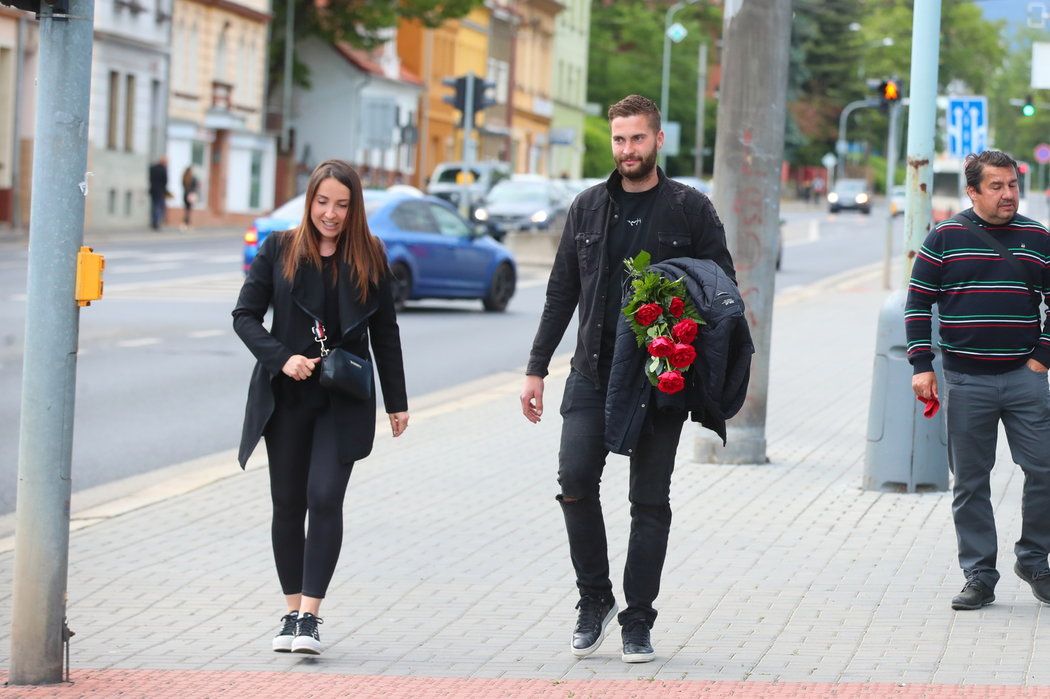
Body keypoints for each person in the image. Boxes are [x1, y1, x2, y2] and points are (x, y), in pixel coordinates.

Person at [519, 94, 736, 663]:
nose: (627, 150)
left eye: (637, 138)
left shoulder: (690, 208)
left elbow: (722, 289)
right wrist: (536, 368)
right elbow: (562, 291)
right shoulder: (588, 207)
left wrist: (685, 326)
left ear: (658, 140)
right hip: (591, 370)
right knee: (573, 481)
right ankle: (595, 599)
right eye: (619, 139)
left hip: (660, 378)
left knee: (649, 501)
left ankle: (638, 619)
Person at [233, 159, 410, 655]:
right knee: (288, 504)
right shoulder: (279, 249)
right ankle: (290, 611)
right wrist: (281, 357)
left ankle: (310, 617)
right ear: (310, 200)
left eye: (342, 204)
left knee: (325, 497)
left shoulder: (371, 255)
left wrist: (397, 402)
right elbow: (244, 316)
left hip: (343, 399)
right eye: (322, 202)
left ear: (354, 208)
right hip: (287, 397)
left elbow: (386, 334)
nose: (330, 214)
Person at [907, 149, 1050, 611]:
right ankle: (980, 574)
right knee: (970, 480)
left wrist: (1043, 358)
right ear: (972, 191)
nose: (1008, 194)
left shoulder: (1037, 236)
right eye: (996, 186)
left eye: (1012, 185)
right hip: (966, 380)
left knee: (1046, 469)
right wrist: (921, 365)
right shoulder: (945, 237)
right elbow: (917, 304)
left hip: (1024, 378)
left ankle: (1034, 561)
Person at [148, 156, 169, 230]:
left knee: (154, 206)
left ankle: (154, 222)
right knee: (159, 207)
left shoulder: (152, 168)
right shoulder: (163, 169)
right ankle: (157, 223)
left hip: (153, 190)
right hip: (160, 191)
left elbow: (150, 178)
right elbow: (165, 181)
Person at [181, 165, 200, 230]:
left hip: (185, 195)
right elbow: (195, 187)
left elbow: (183, 186)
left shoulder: (184, 177)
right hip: (191, 195)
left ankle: (184, 224)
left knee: (186, 210)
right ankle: (188, 224)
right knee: (189, 211)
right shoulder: (193, 178)